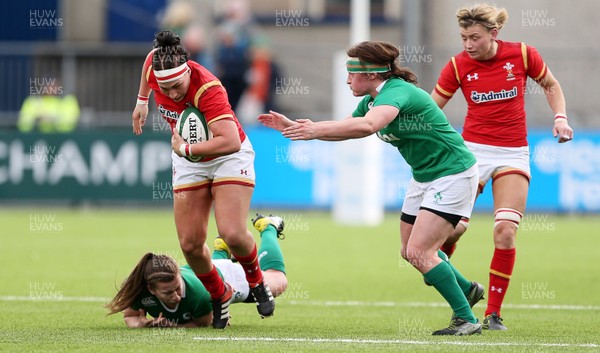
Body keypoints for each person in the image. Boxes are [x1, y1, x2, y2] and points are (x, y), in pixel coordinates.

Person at [258, 41, 484, 336]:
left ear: (372, 74)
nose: (347, 79)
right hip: (425, 176)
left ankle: (466, 319)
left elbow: (368, 127)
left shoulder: (396, 91)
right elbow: (347, 128)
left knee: (420, 250)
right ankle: (467, 289)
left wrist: (314, 129)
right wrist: (299, 127)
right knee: (409, 251)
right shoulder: (372, 100)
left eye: (352, 73)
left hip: (453, 172)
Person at [431, 4, 574, 330]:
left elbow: (551, 85)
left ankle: (493, 314)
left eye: (475, 37)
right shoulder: (457, 65)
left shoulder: (522, 55)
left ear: (494, 34)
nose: (468, 44)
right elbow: (432, 108)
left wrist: (560, 118)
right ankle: (463, 287)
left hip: (512, 153)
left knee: (505, 231)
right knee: (450, 232)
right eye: (464, 37)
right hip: (471, 154)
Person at [131, 30, 274, 329]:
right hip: (189, 162)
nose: (170, 93)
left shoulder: (208, 88)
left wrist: (185, 148)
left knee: (232, 233)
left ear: (187, 71)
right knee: (190, 243)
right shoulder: (156, 66)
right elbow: (148, 64)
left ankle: (257, 281)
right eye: (164, 88)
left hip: (226, 157)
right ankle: (219, 294)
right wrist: (142, 101)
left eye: (176, 85)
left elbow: (230, 141)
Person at [105, 215, 287, 328]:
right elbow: (131, 317)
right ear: (151, 290)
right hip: (206, 269)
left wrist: (171, 325)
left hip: (227, 277)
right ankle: (221, 249)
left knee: (278, 281)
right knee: (211, 266)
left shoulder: (198, 294)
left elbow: (204, 322)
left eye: (177, 288)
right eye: (168, 292)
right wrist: (143, 324)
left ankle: (268, 227)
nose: (176, 295)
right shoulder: (141, 289)